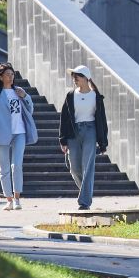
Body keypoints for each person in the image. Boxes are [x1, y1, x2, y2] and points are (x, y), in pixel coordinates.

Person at [0, 62, 38, 210]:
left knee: (17, 166)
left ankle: (17, 199)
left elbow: (30, 109)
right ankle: (8, 199)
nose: (11, 76)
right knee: (4, 168)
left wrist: (26, 96)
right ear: (1, 77)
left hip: (19, 131)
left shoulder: (18, 91)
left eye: (12, 74)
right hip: (2, 133)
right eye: (7, 74)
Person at [57, 65, 108, 211]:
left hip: (90, 131)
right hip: (74, 133)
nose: (75, 79)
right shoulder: (70, 95)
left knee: (88, 167)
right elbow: (64, 118)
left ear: (86, 78)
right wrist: (63, 139)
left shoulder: (96, 96)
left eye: (77, 76)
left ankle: (84, 202)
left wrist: (103, 142)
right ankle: (86, 192)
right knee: (74, 168)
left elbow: (102, 120)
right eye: (73, 77)